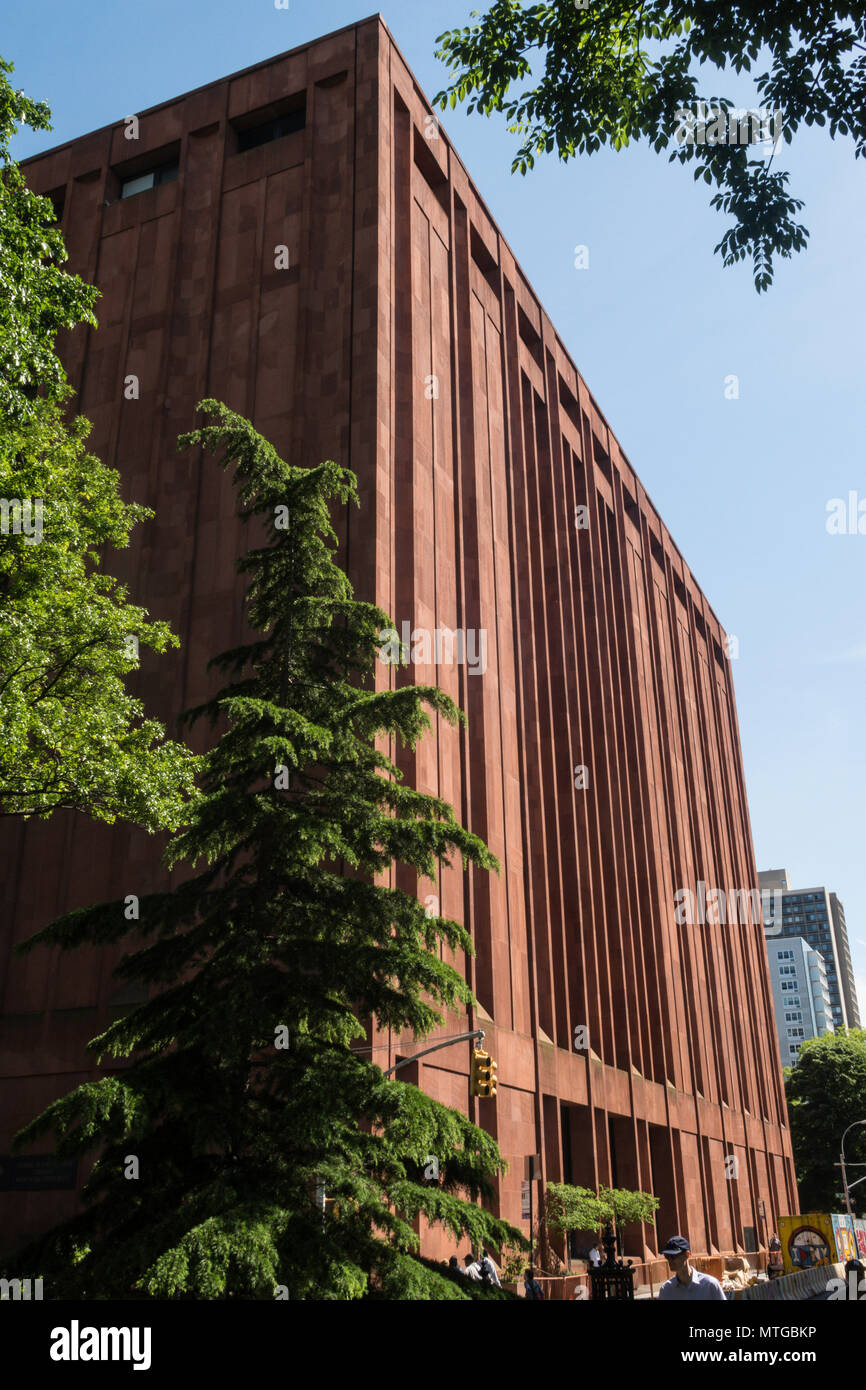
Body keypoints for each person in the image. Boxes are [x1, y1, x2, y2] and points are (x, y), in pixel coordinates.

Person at [657, 1235, 726, 1301]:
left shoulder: (710, 1285)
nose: (670, 1260)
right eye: (667, 1256)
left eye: (673, 1256)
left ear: (687, 1254)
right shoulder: (666, 1290)